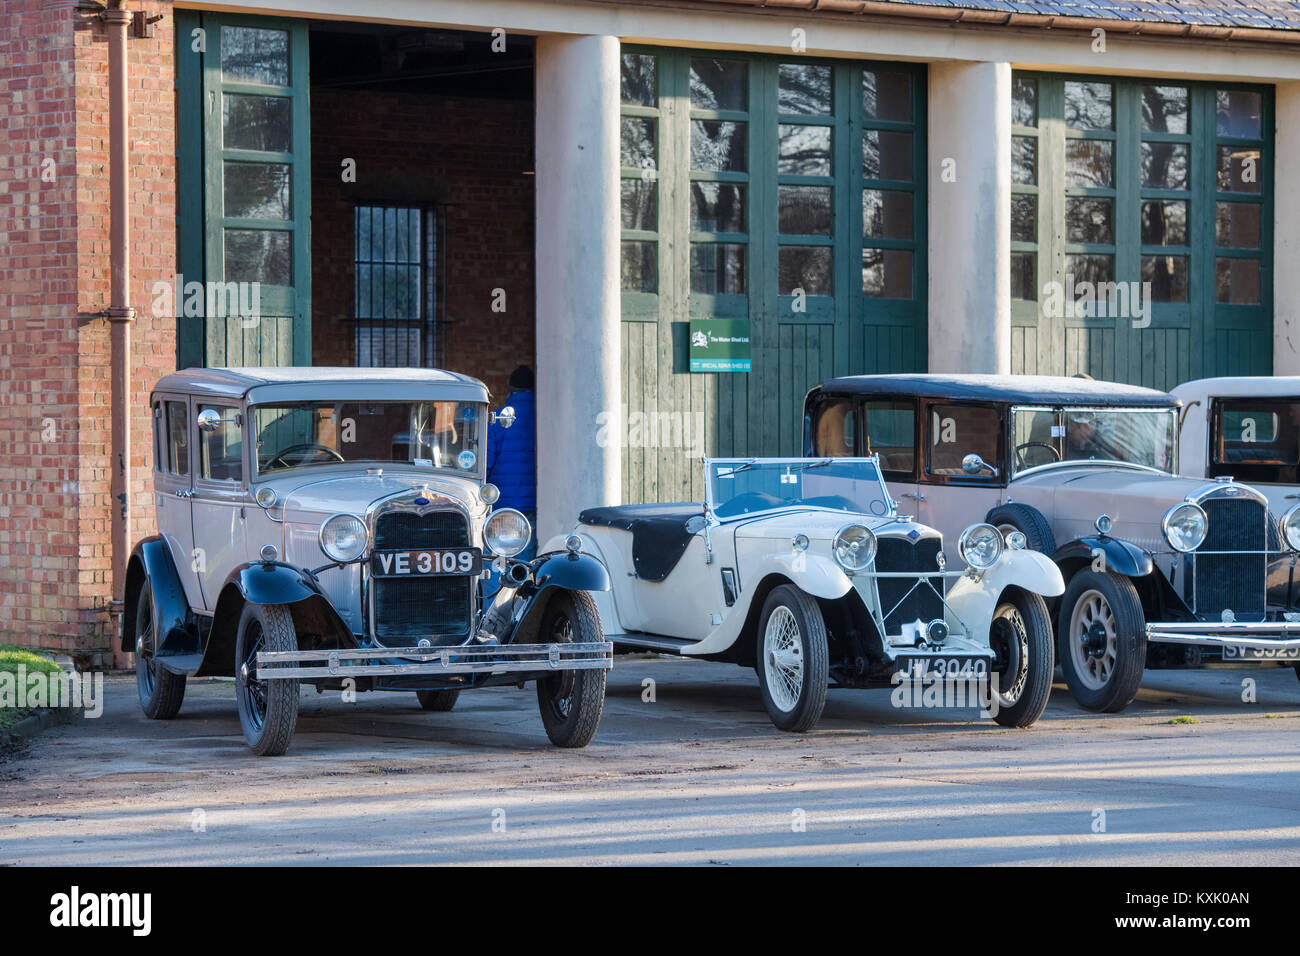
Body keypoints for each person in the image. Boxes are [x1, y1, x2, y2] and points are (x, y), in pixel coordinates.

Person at [486, 365, 537, 559]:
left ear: (510, 388)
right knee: (528, 558)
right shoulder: (545, 415)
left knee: (498, 556)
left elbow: (486, 465)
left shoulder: (499, 419)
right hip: (535, 503)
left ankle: (498, 591)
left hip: (504, 504)